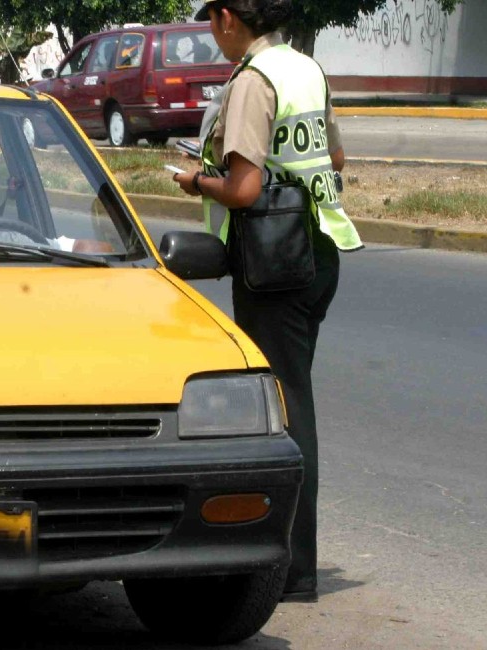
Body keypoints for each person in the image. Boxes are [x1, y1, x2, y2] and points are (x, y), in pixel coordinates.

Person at [172, 0, 364, 604]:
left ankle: (294, 567)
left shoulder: (254, 81)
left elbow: (245, 188)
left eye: (210, 20)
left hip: (275, 261)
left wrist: (195, 181)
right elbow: (333, 159)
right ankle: (293, 559)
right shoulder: (305, 68)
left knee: (285, 409)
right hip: (320, 251)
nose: (210, 32)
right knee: (294, 396)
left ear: (229, 17)